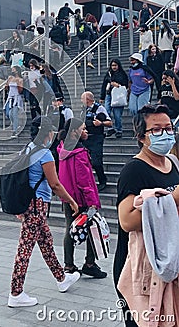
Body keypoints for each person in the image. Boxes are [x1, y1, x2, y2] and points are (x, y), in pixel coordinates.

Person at [113, 104, 179, 326]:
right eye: (157, 130)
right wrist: (173, 200)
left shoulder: (173, 163)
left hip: (166, 260)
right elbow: (126, 221)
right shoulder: (134, 170)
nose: (166, 134)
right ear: (141, 137)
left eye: (169, 128)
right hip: (139, 269)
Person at [8, 116, 80, 308]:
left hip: (30, 205)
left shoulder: (29, 149)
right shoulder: (45, 154)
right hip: (37, 206)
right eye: (52, 132)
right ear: (47, 133)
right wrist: (71, 200)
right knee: (25, 250)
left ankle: (61, 278)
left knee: (46, 243)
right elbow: (55, 184)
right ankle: (16, 293)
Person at [58, 118, 107, 279]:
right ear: (74, 132)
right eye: (83, 129)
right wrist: (92, 202)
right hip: (81, 199)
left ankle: (69, 265)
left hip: (68, 197)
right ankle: (90, 264)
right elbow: (85, 181)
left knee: (69, 229)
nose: (86, 131)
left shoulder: (63, 149)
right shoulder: (79, 153)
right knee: (93, 228)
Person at [81, 91, 112, 192]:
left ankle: (102, 181)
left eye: (83, 99)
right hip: (86, 138)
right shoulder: (83, 110)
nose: (81, 101)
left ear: (88, 100)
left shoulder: (99, 108)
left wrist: (101, 123)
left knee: (96, 161)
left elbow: (110, 123)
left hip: (96, 138)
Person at [100, 59, 128, 138]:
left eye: (115, 65)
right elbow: (104, 84)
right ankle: (110, 128)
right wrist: (102, 96)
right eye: (112, 65)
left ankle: (119, 129)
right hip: (109, 94)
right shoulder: (108, 74)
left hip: (118, 95)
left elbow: (125, 84)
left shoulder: (122, 74)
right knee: (107, 111)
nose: (114, 67)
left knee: (117, 115)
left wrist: (118, 84)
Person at [46, 93, 73, 172]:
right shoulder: (50, 111)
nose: (54, 103)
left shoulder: (66, 111)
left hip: (62, 137)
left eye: (56, 101)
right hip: (52, 137)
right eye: (53, 101)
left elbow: (69, 124)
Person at [5, 66, 24, 137]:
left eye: (13, 70)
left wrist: (18, 83)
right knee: (8, 113)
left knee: (14, 114)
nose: (12, 71)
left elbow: (20, 90)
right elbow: (6, 87)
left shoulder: (20, 79)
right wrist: (8, 82)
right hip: (10, 97)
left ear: (17, 71)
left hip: (16, 97)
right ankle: (16, 124)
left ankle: (15, 131)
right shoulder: (10, 78)